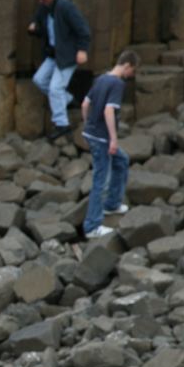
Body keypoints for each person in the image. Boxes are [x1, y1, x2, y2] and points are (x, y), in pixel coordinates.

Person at [80, 50, 141, 239]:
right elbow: (108, 111)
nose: (132, 75)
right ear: (127, 65)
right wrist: (113, 139)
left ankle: (112, 204)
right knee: (101, 179)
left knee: (122, 160)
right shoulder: (117, 83)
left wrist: (87, 124)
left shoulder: (100, 79)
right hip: (102, 139)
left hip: (91, 133)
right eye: (133, 71)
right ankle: (92, 226)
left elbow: (84, 104)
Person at [28, 0, 91, 141]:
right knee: (39, 80)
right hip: (53, 54)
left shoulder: (65, 6)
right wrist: (34, 28)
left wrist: (82, 49)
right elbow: (42, 25)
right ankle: (69, 100)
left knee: (55, 88)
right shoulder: (45, 7)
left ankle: (62, 124)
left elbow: (83, 29)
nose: (40, 1)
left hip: (68, 55)